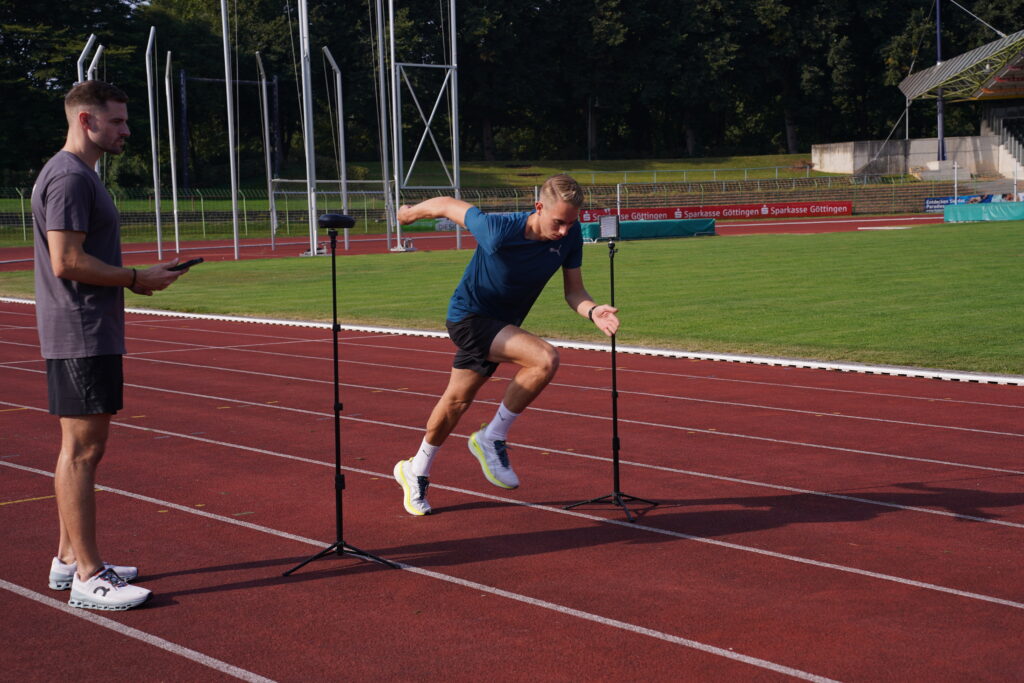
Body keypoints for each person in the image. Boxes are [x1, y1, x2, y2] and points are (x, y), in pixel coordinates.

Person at [33, 80, 189, 610]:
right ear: (86, 120)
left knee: (80, 450)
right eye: (117, 121)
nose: (126, 130)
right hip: (80, 330)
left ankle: (66, 560)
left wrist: (137, 278)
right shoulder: (70, 178)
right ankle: (88, 575)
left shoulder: (79, 176)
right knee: (82, 452)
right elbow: (66, 261)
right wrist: (135, 277)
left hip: (85, 328)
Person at [392, 174, 619, 515]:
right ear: (539, 206)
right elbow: (448, 205)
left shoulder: (569, 238)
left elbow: (574, 291)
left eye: (571, 223)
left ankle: (415, 470)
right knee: (544, 359)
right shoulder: (498, 229)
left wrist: (593, 310)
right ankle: (491, 437)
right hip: (469, 318)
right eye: (558, 222)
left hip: (501, 326)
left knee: (455, 402)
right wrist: (408, 215)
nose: (563, 231)